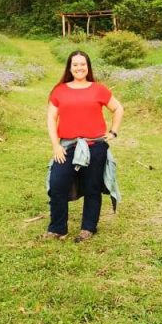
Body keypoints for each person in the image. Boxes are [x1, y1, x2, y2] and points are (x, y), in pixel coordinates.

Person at [46, 50, 124, 242]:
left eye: (83, 64)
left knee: (92, 187)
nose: (79, 68)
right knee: (57, 184)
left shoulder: (98, 89)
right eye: (75, 64)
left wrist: (113, 131)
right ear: (69, 68)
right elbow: (51, 118)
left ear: (87, 67)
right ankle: (58, 229)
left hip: (95, 146)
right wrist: (56, 145)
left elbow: (118, 108)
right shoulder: (59, 90)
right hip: (67, 146)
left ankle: (88, 228)